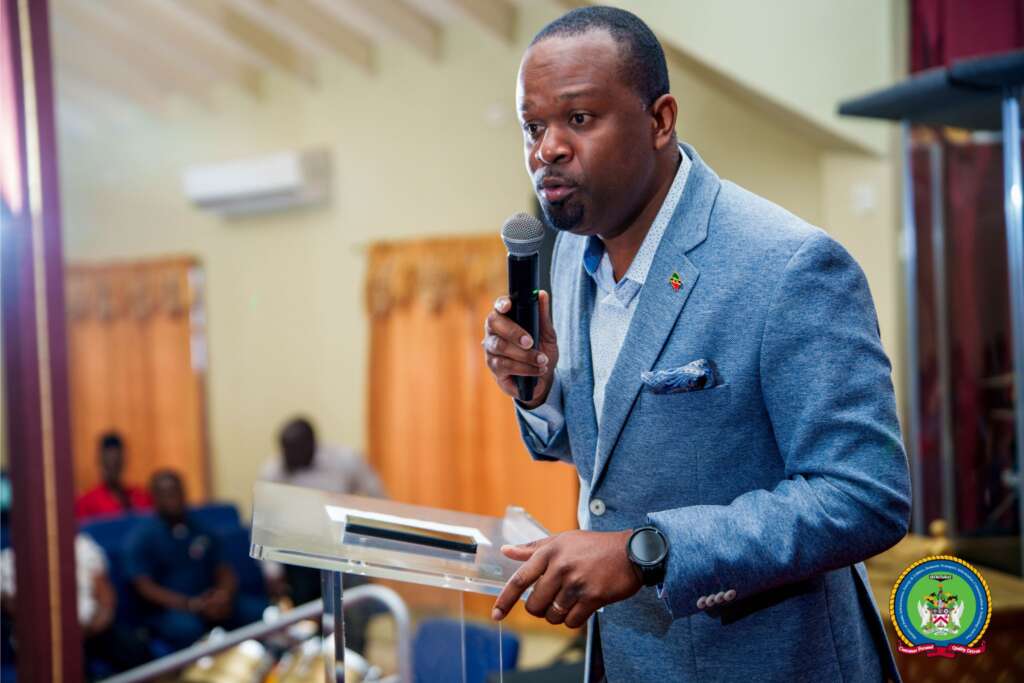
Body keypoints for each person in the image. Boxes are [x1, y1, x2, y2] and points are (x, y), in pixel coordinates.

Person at [482, 7, 910, 682]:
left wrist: (647, 552)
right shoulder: (568, 255)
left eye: (579, 119)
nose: (547, 149)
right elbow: (621, 451)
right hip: (627, 661)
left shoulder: (789, 265)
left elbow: (864, 495)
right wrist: (541, 394)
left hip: (767, 662)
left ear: (660, 120)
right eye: (533, 128)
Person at [260, 417, 385, 652]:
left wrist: (366, 540)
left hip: (342, 551)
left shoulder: (344, 460)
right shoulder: (273, 471)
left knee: (353, 615)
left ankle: (353, 660)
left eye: (294, 451)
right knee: (308, 622)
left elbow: (377, 497)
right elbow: (265, 523)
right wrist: (272, 570)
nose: (288, 457)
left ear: (312, 445)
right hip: (299, 556)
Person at [124, 470, 264, 649]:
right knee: (187, 629)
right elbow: (144, 586)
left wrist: (223, 595)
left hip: (211, 600)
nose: (173, 498)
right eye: (166, 494)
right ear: (155, 499)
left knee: (257, 611)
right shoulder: (142, 537)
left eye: (177, 492)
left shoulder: (200, 526)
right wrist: (189, 604)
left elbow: (224, 568)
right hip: (172, 609)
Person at [0, 532, 149, 675]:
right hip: (45, 641)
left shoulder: (81, 546)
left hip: (93, 629)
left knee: (135, 652)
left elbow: (105, 595)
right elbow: (18, 612)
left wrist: (98, 622)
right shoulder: (7, 562)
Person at [75, 432, 152, 520]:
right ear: (99, 461)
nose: (113, 469)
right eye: (108, 464)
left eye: (117, 464)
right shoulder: (86, 503)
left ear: (123, 462)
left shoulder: (140, 498)